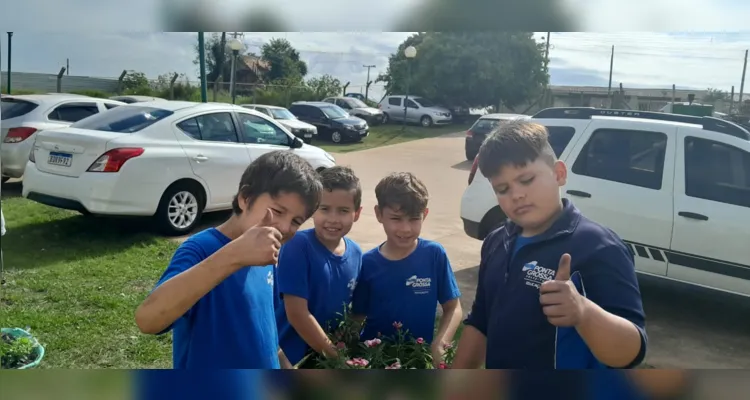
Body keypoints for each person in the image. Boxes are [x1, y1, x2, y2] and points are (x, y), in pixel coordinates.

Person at [451, 120, 647, 370]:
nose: (516, 195)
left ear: (559, 174)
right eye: (502, 189)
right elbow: (480, 322)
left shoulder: (599, 247)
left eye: (527, 180)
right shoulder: (496, 241)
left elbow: (631, 352)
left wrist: (584, 313)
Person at [134, 150, 322, 369]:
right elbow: (147, 320)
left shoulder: (268, 256)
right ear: (246, 198)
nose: (285, 227)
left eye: (296, 221)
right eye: (278, 211)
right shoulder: (202, 248)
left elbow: (266, 334)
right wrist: (235, 255)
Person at [351, 172, 462, 367]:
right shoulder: (366, 263)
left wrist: (439, 343)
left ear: (425, 214)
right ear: (378, 214)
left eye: (413, 219)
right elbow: (357, 317)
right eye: (396, 218)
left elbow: (453, 307)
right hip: (376, 361)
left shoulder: (434, 254)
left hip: (418, 360)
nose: (406, 229)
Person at [275, 166, 364, 367]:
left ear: (357, 213)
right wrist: (336, 358)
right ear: (312, 209)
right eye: (324, 209)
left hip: (327, 357)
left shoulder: (357, 253)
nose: (333, 219)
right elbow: (297, 314)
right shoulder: (297, 246)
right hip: (290, 359)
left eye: (343, 211)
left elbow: (352, 311)